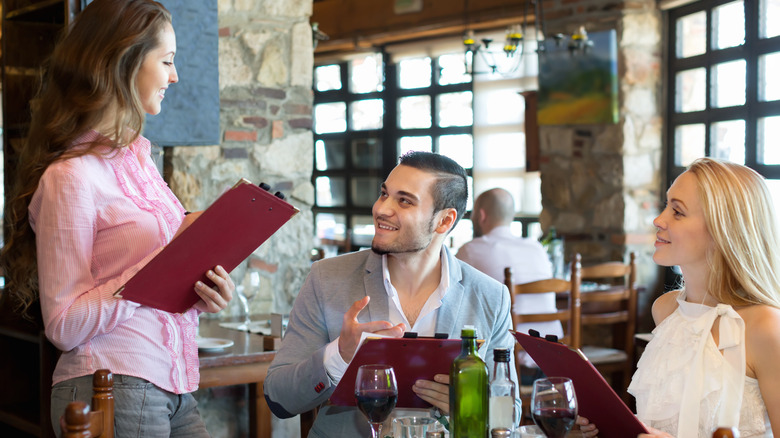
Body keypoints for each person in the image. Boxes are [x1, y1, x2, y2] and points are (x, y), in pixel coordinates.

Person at [0, 1, 234, 436]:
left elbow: (153, 284)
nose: (175, 76)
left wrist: (199, 289)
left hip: (170, 385)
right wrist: (157, 270)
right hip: (109, 382)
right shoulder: (69, 176)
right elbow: (64, 324)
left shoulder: (141, 165)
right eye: (166, 61)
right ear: (124, 61)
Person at [628, 158, 780, 437]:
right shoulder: (665, 310)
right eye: (666, 206)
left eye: (677, 212)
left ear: (723, 230)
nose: (658, 220)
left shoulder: (766, 326)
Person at [455, 188, 562, 369]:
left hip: (510, 357)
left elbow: (449, 289)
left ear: (481, 215)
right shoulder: (536, 247)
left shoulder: (471, 249)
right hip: (554, 351)